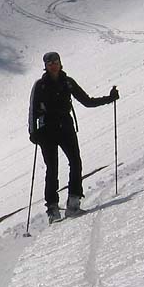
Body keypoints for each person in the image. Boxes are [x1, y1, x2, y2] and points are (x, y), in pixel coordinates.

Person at [28, 51, 119, 223]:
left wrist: (110, 98)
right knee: (52, 168)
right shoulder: (40, 85)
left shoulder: (68, 82)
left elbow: (87, 101)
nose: (53, 65)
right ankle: (53, 209)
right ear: (46, 66)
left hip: (65, 127)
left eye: (55, 62)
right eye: (50, 63)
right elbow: (32, 109)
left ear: (60, 63)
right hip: (47, 131)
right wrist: (34, 134)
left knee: (75, 162)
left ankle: (73, 202)